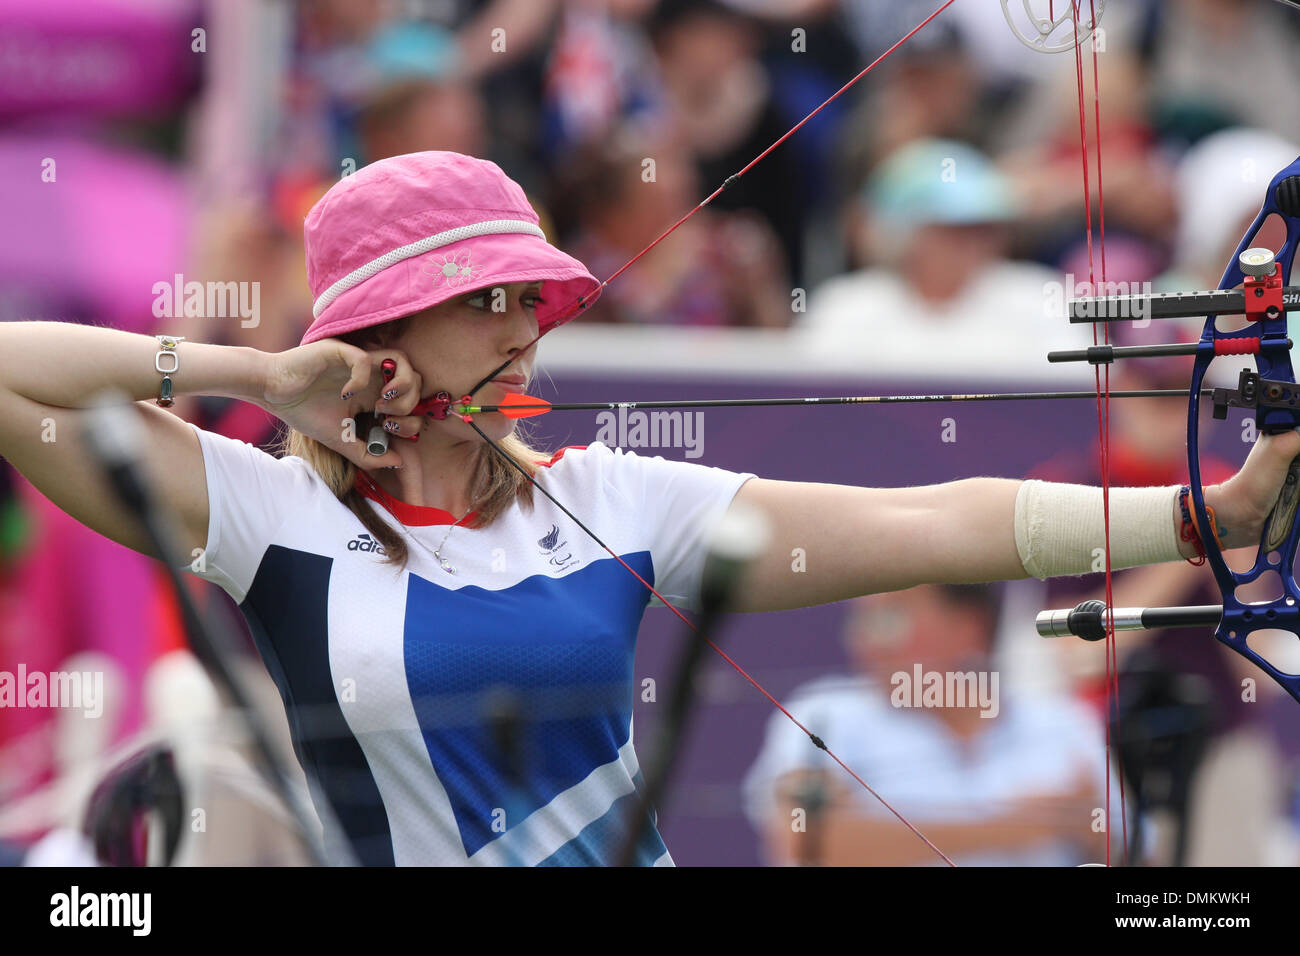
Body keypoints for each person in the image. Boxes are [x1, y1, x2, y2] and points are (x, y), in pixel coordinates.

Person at [1, 150, 1296, 866]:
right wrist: (262, 372)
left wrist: (1213, 514)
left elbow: (938, 523)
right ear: (379, 335)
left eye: (529, 299)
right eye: (481, 300)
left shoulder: (614, 500)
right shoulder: (264, 512)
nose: (524, 329)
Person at [743, 584, 1117, 866]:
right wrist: (1033, 825)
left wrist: (1089, 829)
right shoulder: (823, 714)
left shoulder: (1062, 721)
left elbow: (1132, 849)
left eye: (890, 619)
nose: (865, 640)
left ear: (967, 628)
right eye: (862, 619)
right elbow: (811, 843)